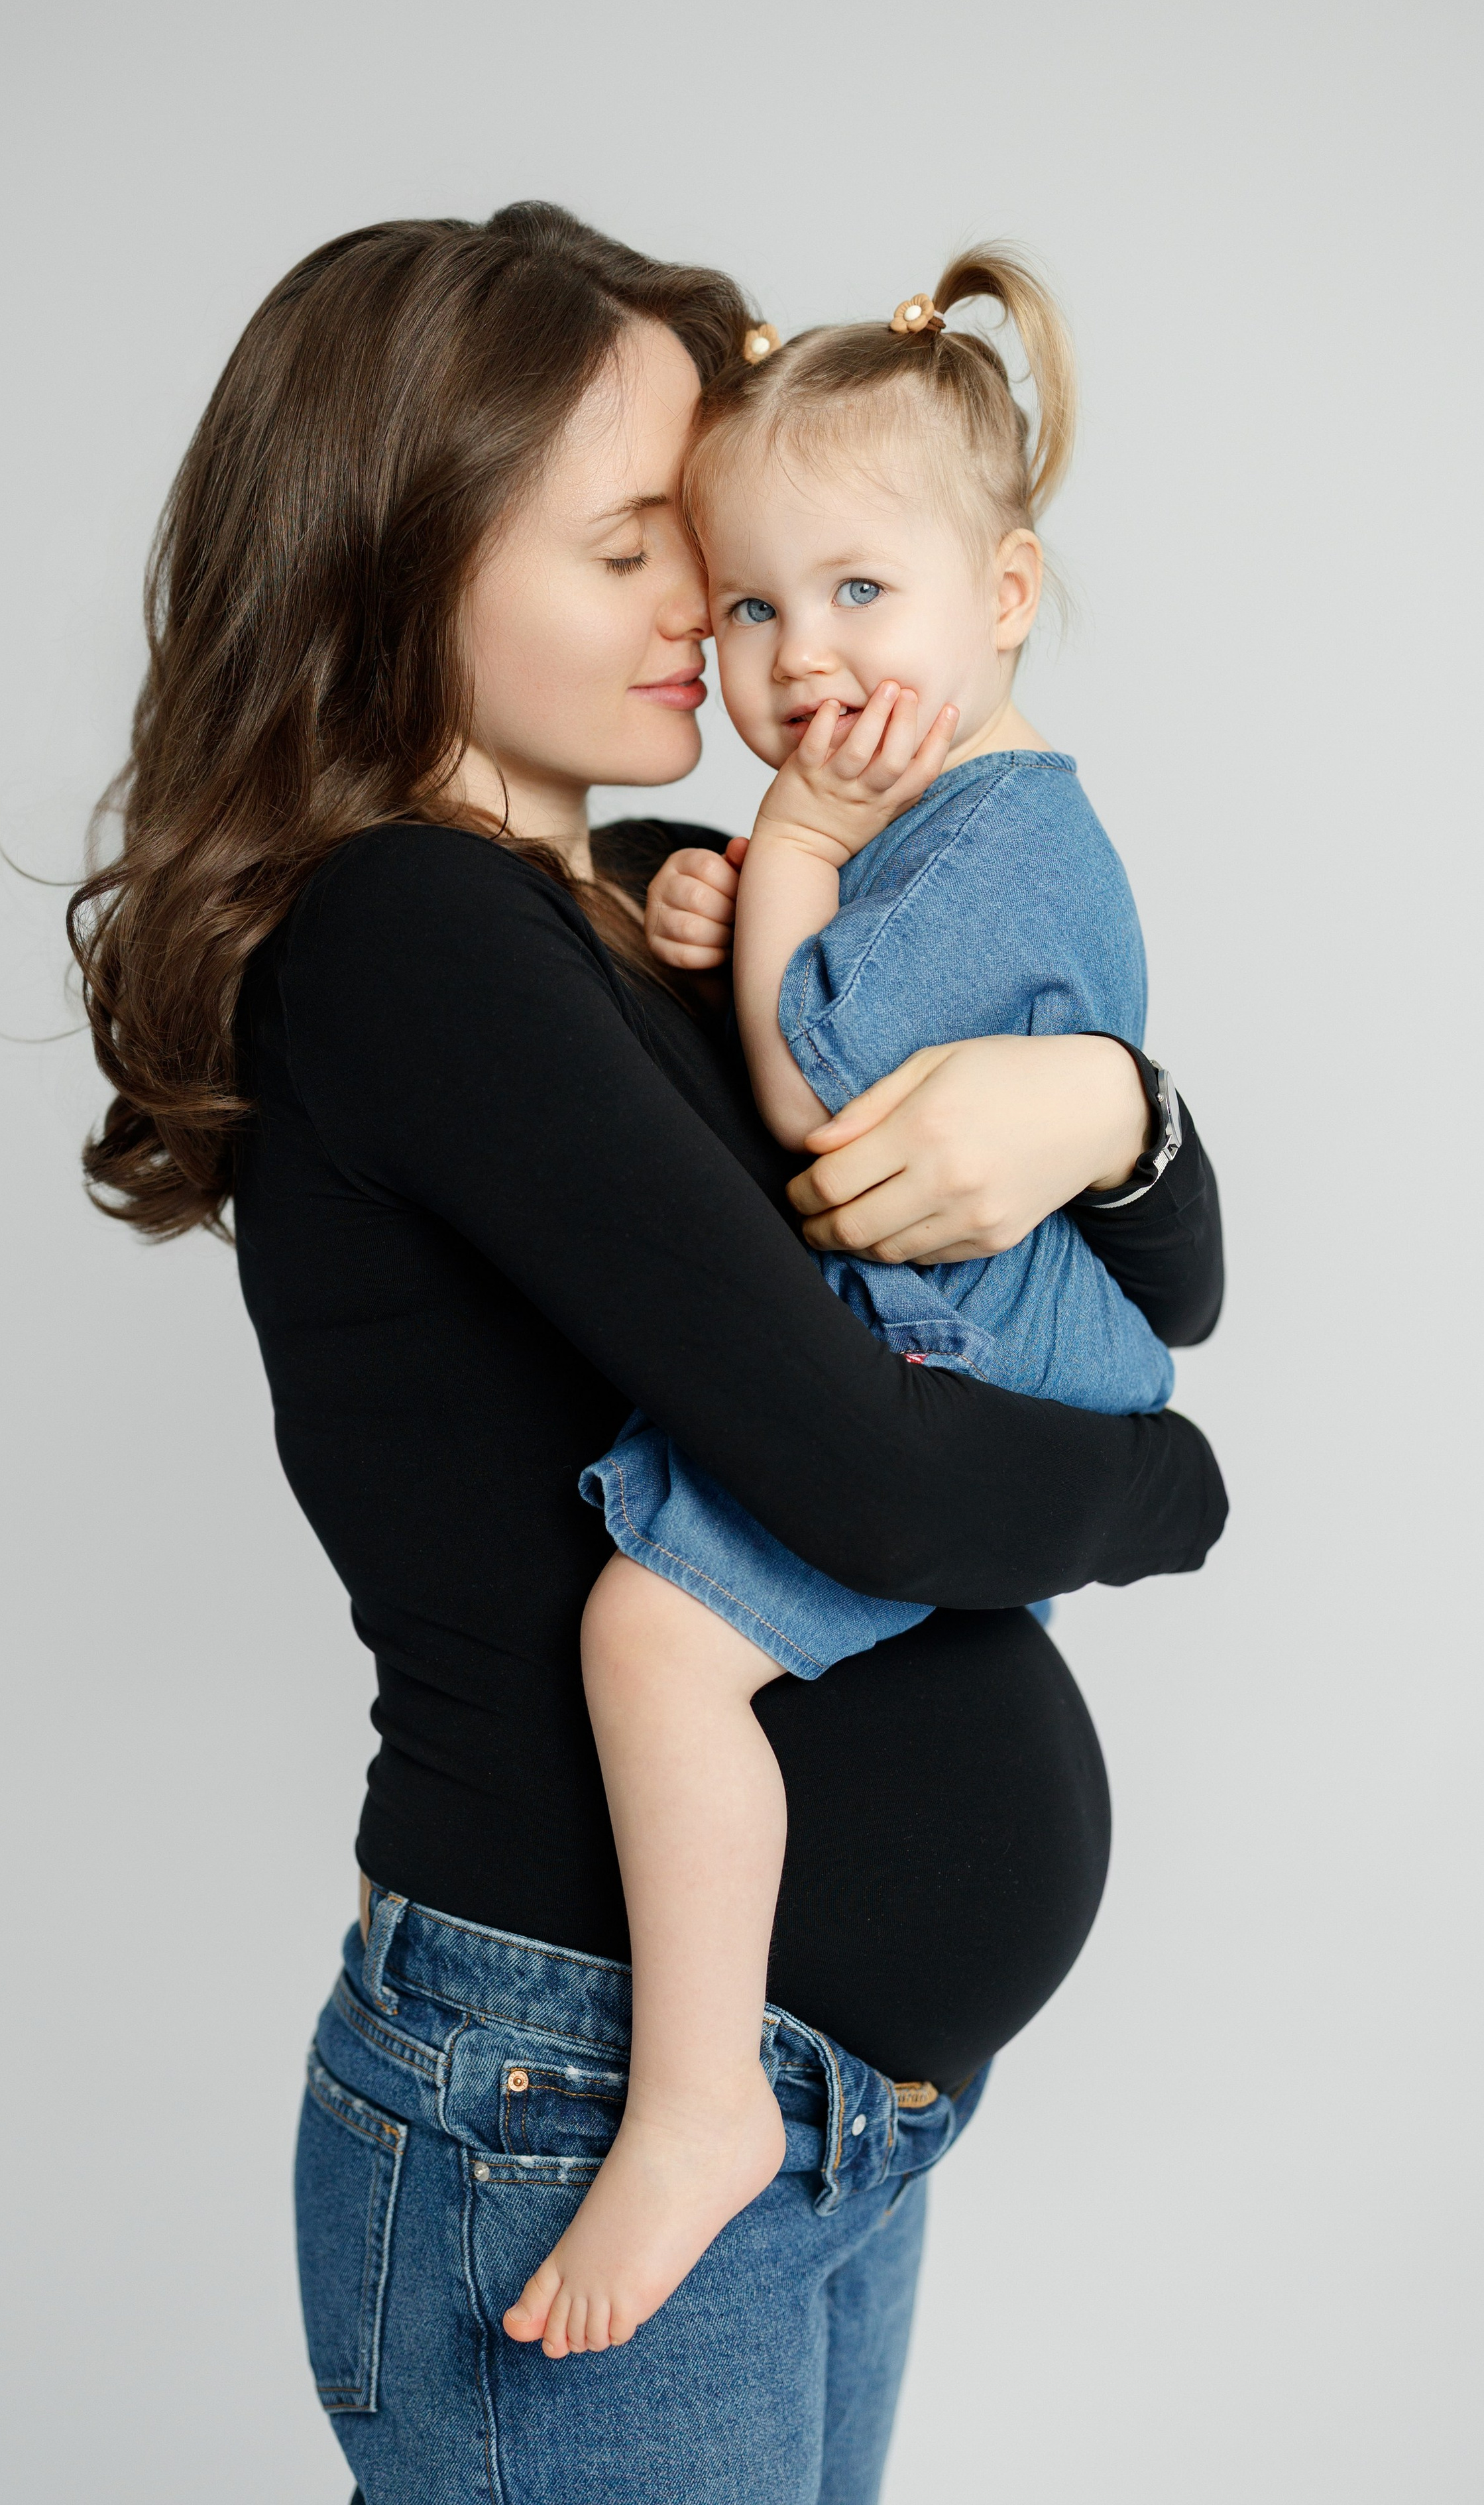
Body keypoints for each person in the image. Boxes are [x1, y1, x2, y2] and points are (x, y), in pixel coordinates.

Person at [72, 202, 1226, 2504]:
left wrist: (1108, 1106)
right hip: (574, 2094)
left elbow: (1164, 1260)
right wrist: (1169, 1494)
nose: (717, 614)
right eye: (630, 553)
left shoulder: (652, 903)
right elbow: (868, 1480)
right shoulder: (412, 939)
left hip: (810, 2105)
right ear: (404, 571)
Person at [510, 249, 1206, 2363]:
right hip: (967, 1324)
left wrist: (789, 854)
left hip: (973, 1335)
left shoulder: (989, 843)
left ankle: (701, 2097)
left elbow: (814, 1103)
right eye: (750, 607)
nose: (801, 658)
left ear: (1004, 599)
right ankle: (725, 2083)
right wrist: (741, 876)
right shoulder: (930, 818)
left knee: (648, 1644)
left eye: (862, 596)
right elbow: (794, 1009)